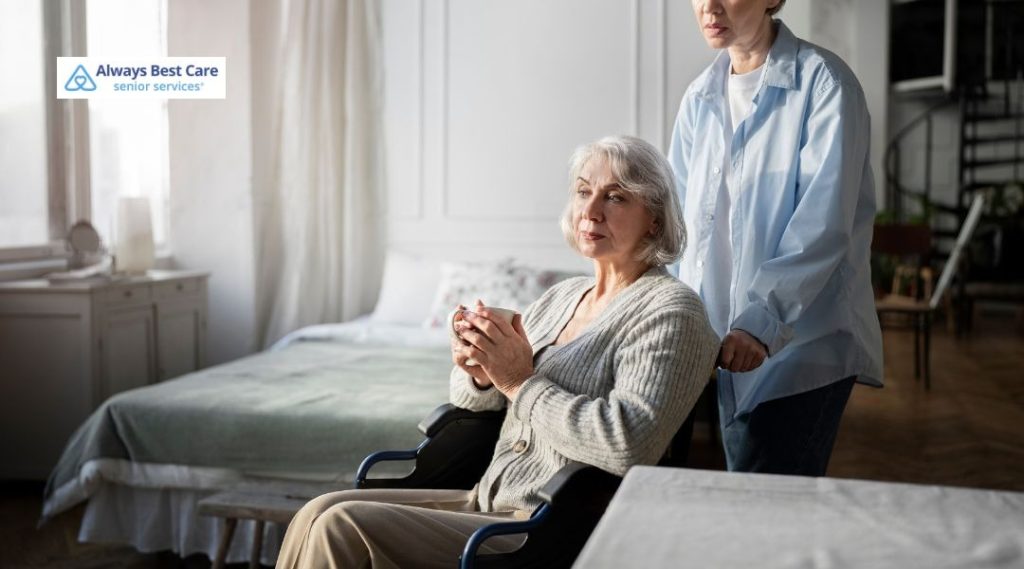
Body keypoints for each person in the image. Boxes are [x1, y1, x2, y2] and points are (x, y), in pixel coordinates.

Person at [276, 135, 720, 568]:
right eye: (584, 191)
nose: (590, 210)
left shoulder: (671, 310)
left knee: (342, 525)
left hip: (546, 524)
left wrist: (518, 381)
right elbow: (475, 405)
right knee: (317, 511)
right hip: (486, 497)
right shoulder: (564, 295)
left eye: (615, 197)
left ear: (655, 220)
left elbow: (628, 445)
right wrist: (478, 370)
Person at [668, 0, 884, 476]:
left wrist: (762, 321)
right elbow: (678, 226)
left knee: (766, 504)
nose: (708, 6)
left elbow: (822, 227)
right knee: (750, 506)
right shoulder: (699, 98)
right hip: (727, 349)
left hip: (803, 345)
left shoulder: (826, 83)